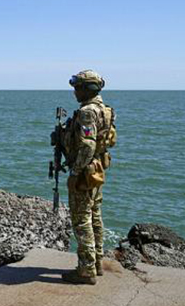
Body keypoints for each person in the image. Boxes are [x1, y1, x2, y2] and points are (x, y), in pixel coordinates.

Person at [60, 69, 117, 284]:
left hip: (85, 172)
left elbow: (87, 144)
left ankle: (86, 271)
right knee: (94, 215)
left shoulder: (88, 112)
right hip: (97, 169)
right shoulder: (106, 110)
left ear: (86, 89)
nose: (74, 92)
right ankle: (97, 262)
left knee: (81, 220)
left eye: (77, 87)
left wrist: (75, 173)